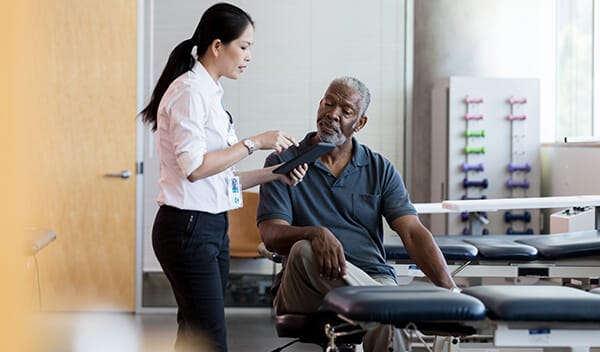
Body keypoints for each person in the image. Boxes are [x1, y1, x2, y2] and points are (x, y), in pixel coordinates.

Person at [140, 3, 306, 352]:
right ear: (217, 46)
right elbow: (196, 167)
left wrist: (276, 174)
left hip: (210, 227)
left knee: (193, 337)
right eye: (243, 47)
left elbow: (221, 178)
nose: (248, 57)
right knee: (211, 340)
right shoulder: (189, 92)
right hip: (187, 229)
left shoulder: (210, 95)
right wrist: (255, 142)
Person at [257, 76, 458, 352]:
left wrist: (450, 291)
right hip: (304, 291)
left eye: (346, 111)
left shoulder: (379, 169)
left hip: (373, 277)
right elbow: (270, 234)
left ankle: (381, 304)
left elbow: (412, 231)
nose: (332, 114)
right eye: (328, 104)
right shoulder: (283, 162)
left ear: (360, 123)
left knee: (384, 316)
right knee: (305, 249)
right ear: (320, 105)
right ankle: (385, 303)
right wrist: (315, 233)